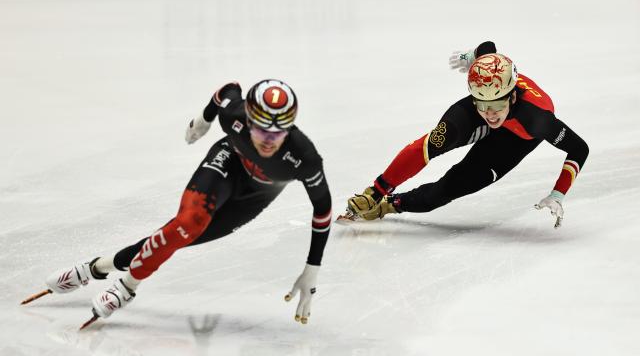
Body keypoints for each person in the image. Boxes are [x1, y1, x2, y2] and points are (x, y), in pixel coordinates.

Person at [35, 79, 332, 326]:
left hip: (255, 196)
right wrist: (202, 121)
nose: (269, 140)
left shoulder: (305, 158)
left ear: (290, 127)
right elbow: (226, 91)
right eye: (260, 130)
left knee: (177, 238)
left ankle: (95, 268)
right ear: (248, 120)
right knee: (187, 224)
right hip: (228, 162)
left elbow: (323, 210)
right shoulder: (234, 116)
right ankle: (126, 287)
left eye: (278, 132)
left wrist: (312, 270)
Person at [344, 41, 588, 228]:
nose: (489, 114)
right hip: (487, 110)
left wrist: (558, 193)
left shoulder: (538, 120)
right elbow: (488, 48)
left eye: (496, 106)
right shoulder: (484, 101)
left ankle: (391, 205)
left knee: (451, 187)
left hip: (515, 140)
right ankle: (376, 195)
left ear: (512, 97)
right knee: (436, 141)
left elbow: (579, 149)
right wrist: (376, 190)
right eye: (482, 104)